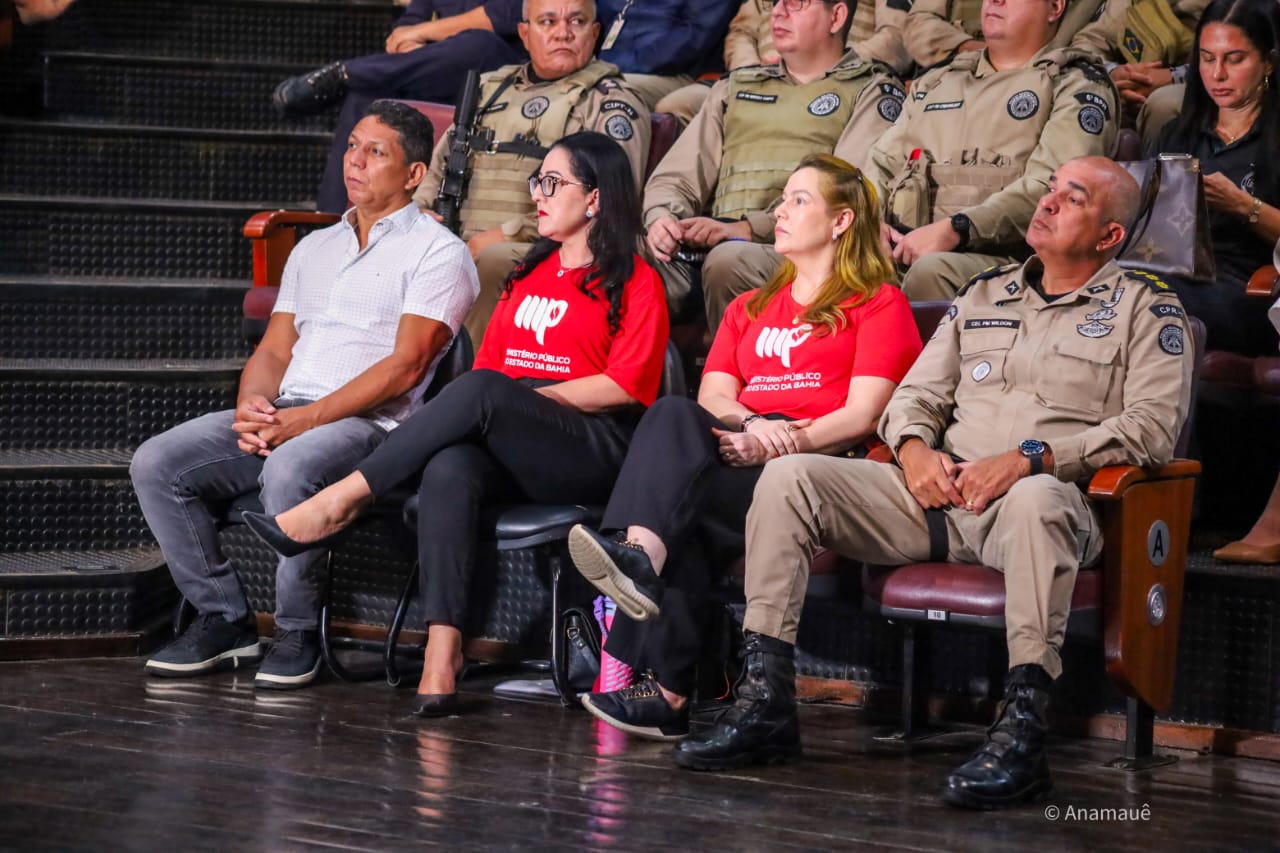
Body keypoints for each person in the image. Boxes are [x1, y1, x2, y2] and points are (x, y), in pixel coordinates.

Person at [673, 156, 1194, 812]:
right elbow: (913, 398)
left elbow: (1150, 430)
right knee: (792, 474)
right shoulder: (984, 294)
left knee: (1035, 500)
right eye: (1051, 188)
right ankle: (764, 703)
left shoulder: (1147, 308)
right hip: (937, 494)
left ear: (1109, 236)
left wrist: (1032, 459)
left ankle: (1022, 729)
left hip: (1041, 501)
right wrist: (915, 448)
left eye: (1075, 197)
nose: (1049, 201)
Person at [243, 132, 670, 715]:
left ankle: (341, 500)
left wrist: (527, 402)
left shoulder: (635, 278)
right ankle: (444, 657)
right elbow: (490, 372)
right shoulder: (529, 273)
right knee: (449, 467)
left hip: (592, 453)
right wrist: (507, 402)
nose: (537, 195)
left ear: (594, 199)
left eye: (552, 183)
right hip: (513, 440)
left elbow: (623, 386)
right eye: (536, 182)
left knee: (484, 390)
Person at [564, 154, 922, 741]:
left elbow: (865, 414)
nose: (780, 210)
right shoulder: (749, 306)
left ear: (841, 221)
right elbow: (716, 393)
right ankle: (654, 621)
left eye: (799, 200)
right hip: (744, 452)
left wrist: (786, 441)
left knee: (681, 504)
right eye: (782, 198)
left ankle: (649, 630)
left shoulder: (877, 302)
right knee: (677, 423)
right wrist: (753, 427)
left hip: (815, 474)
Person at [131, 102, 479, 688]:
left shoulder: (438, 253)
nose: (356, 161)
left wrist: (302, 422)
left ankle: (297, 631)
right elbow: (274, 349)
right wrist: (253, 408)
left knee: (292, 467)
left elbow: (405, 367)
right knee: (158, 462)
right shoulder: (315, 248)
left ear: (415, 174)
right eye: (352, 147)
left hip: (374, 427)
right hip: (290, 410)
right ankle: (224, 618)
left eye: (376, 152)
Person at [643, 0, 905, 329]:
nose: (778, 12)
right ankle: (623, 377)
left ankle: (734, 375)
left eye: (796, 3)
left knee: (730, 260)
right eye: (776, 3)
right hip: (708, 248)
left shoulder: (871, 90)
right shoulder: (736, 86)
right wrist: (663, 219)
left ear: (836, 17)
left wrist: (747, 230)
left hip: (800, 255)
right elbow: (675, 178)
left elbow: (843, 195)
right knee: (617, 250)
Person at [412, 0, 650, 348]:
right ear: (524, 33)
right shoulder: (489, 89)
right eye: (548, 21)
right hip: (460, 242)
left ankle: (471, 386)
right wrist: (419, 213)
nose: (562, 33)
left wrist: (508, 232)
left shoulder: (608, 102)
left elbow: (606, 199)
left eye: (577, 21)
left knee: (492, 260)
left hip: (546, 250)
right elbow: (440, 168)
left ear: (595, 32)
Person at [868, 0, 1120, 301]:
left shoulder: (1076, 83)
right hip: (905, 248)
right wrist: (870, 223)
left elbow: (1053, 192)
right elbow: (881, 163)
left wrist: (958, 228)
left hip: (1012, 261)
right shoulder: (938, 80)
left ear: (1054, 7)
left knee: (930, 270)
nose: (994, 1)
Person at [273, 0, 527, 215]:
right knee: (365, 95)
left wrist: (424, 33)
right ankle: (332, 222)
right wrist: (412, 44)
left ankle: (347, 72)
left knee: (479, 43)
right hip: (435, 68)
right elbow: (407, 25)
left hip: (497, 71)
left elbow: (503, 15)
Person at [1148, 0, 1280, 358]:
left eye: (1234, 59)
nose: (1217, 74)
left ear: (1268, 61)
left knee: (1148, 297)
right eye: (1207, 58)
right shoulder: (1177, 134)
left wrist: (1243, 205)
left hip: (1251, 290)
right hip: (1169, 273)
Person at [595, 0, 738, 111]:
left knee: (604, 90)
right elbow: (592, 17)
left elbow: (692, 38)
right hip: (611, 66)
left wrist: (615, 66)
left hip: (675, 75)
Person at [902, 0, 1124, 69]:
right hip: (962, 73)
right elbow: (917, 25)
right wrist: (979, 53)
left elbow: (1097, 41)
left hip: (1052, 83)